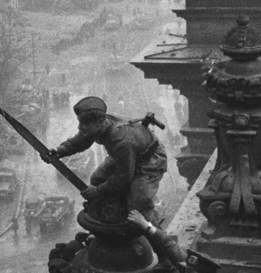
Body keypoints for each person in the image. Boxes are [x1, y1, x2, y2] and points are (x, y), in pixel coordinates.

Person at [41, 96, 167, 224]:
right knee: (97, 179)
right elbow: (80, 141)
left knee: (139, 205)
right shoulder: (100, 125)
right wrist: (58, 151)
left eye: (84, 124)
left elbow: (124, 177)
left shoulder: (120, 141)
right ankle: (115, 213)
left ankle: (157, 236)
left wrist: (97, 191)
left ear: (100, 121)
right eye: (80, 123)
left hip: (150, 159)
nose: (80, 127)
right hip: (127, 154)